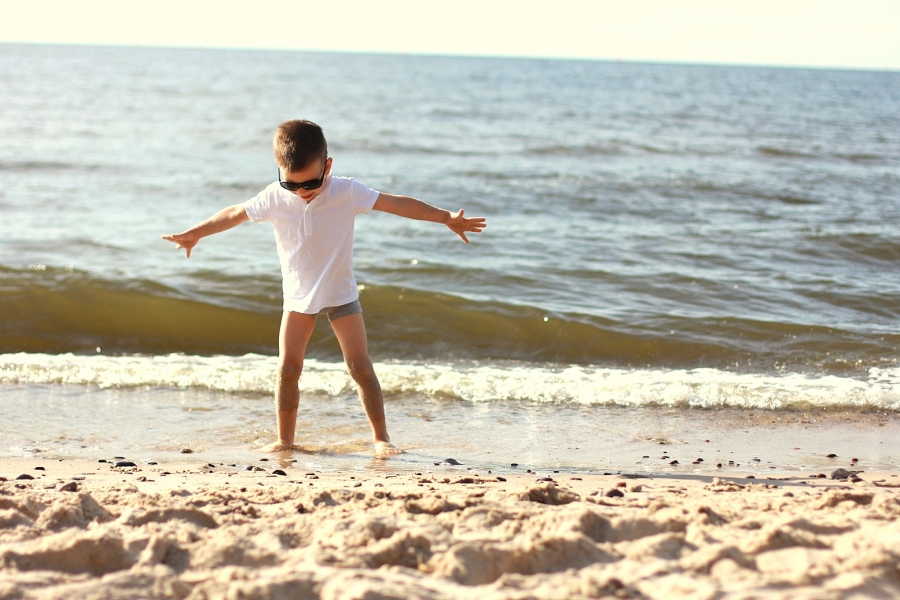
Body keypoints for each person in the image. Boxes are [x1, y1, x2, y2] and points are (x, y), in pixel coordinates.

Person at [162, 120, 486, 457]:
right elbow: (234, 213)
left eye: (312, 182)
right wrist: (196, 233)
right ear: (279, 172)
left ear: (328, 167)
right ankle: (285, 440)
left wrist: (446, 217)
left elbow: (399, 204)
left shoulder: (345, 192)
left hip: (340, 294)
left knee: (360, 366)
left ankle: (381, 438)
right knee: (288, 369)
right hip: (298, 297)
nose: (302, 191)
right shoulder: (274, 197)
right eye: (292, 184)